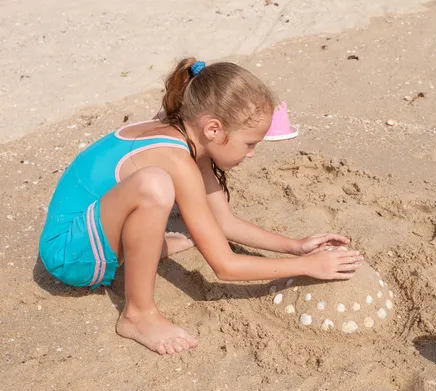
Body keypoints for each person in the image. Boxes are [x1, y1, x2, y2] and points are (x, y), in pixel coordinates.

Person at [39, 58, 364, 355]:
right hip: (71, 257)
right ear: (213, 128)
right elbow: (225, 267)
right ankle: (137, 314)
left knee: (164, 196)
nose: (251, 154)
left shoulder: (186, 133)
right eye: (250, 143)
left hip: (89, 229)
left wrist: (296, 247)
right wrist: (308, 267)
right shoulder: (176, 159)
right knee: (154, 186)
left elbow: (222, 222)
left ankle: (144, 247)